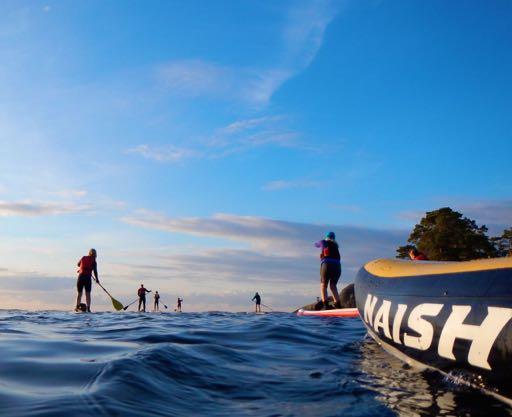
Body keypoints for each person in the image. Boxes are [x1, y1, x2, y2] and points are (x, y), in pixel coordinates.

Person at [314, 232, 342, 310]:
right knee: (333, 286)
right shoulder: (336, 245)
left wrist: (320, 244)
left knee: (324, 285)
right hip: (337, 267)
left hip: (327, 265)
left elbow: (316, 244)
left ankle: (325, 305)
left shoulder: (324, 242)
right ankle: (338, 305)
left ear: (327, 237)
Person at [76, 248, 99, 313]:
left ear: (89, 253)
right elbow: (95, 271)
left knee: (79, 294)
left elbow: (78, 264)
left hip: (80, 277)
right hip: (87, 278)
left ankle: (77, 307)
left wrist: (81, 268)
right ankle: (88, 308)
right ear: (95, 255)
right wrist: (97, 279)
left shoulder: (83, 257)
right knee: (88, 294)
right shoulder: (94, 262)